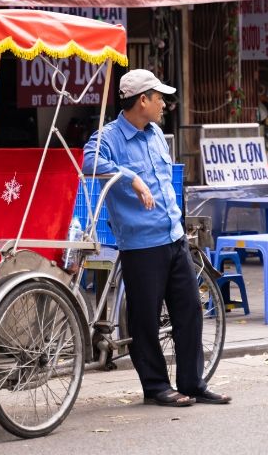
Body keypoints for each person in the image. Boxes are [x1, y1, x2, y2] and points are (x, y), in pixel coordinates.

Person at [83, 69, 229, 408]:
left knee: (190, 310)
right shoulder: (111, 137)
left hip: (174, 237)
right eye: (159, 97)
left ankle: (193, 382)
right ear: (142, 100)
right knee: (145, 319)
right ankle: (155, 386)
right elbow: (89, 161)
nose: (164, 103)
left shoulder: (154, 134)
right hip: (140, 244)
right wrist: (130, 177)